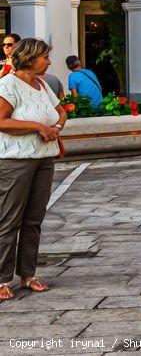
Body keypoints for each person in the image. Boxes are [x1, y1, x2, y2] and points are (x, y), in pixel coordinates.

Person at [0, 38, 67, 301]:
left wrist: (56, 129)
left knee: (34, 218)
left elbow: (60, 111)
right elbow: (1, 121)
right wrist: (39, 127)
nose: (49, 62)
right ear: (30, 58)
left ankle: (28, 274)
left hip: (43, 159)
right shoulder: (7, 85)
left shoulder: (41, 84)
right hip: (16, 161)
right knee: (9, 219)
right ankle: (3, 279)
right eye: (45, 57)